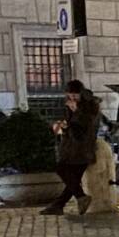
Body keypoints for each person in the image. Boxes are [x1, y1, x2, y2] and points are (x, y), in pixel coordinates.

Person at [47, 82, 101, 216]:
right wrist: (64, 126)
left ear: (80, 93)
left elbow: (84, 128)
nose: (72, 97)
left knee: (62, 169)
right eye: (69, 94)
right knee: (73, 179)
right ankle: (59, 205)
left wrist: (74, 113)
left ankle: (79, 198)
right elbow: (73, 125)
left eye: (74, 94)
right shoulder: (74, 106)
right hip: (73, 147)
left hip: (81, 148)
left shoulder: (89, 106)